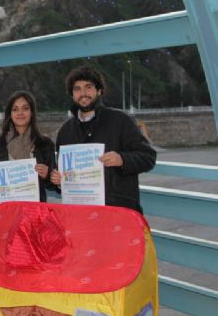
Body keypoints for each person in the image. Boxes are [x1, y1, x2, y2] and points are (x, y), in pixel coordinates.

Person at [50, 66, 156, 213]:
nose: (83, 93)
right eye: (77, 89)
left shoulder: (121, 120)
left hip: (119, 211)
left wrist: (122, 159)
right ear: (72, 95)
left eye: (88, 87)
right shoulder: (65, 131)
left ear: (99, 91)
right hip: (80, 213)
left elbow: (148, 157)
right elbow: (63, 175)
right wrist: (59, 181)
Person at [0, 91, 56, 202]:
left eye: (25, 108)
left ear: (32, 113)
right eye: (15, 109)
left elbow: (53, 185)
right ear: (10, 114)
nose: (20, 113)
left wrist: (47, 175)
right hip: (7, 209)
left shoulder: (45, 144)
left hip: (35, 209)